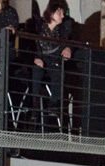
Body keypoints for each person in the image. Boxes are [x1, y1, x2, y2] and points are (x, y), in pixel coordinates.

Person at [26, 0, 75, 128]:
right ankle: (34, 107)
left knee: (58, 71)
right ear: (52, 13)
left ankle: (53, 107)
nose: (63, 16)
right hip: (39, 59)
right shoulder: (37, 26)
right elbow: (29, 45)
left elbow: (70, 42)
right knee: (37, 69)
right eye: (60, 12)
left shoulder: (63, 30)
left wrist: (68, 48)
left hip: (54, 62)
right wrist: (35, 58)